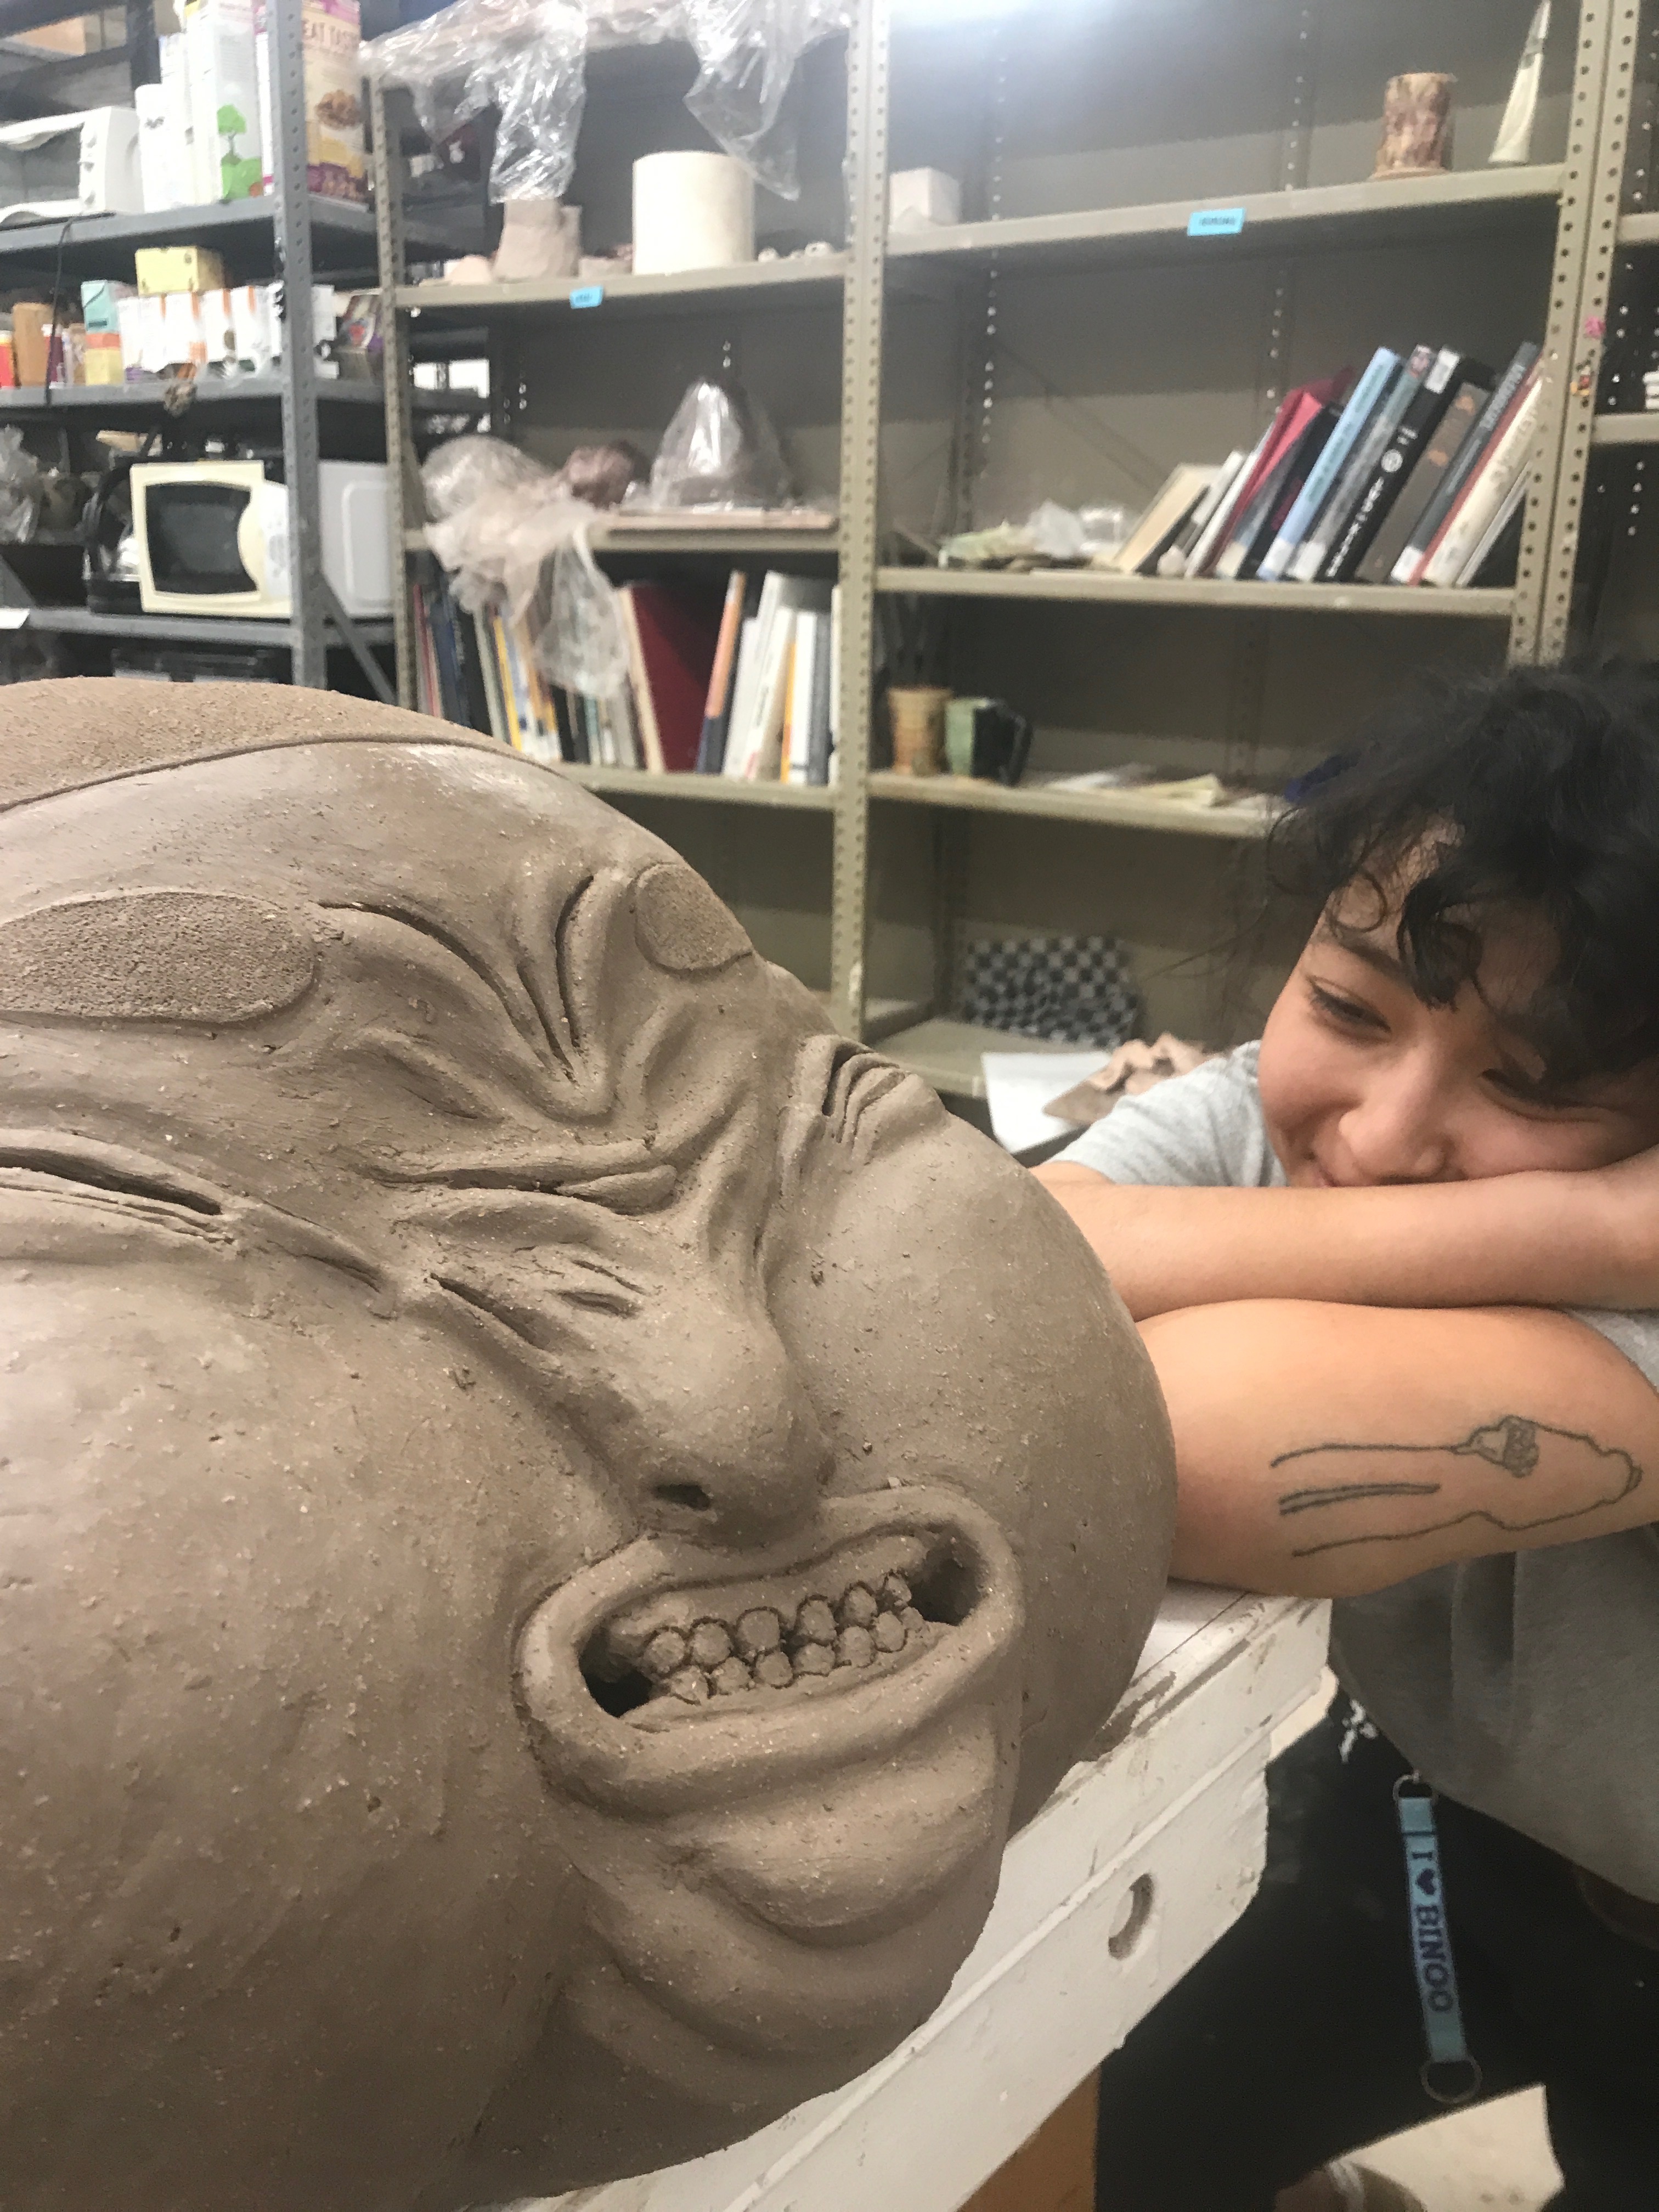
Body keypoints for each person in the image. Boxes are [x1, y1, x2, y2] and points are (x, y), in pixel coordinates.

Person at [1035, 665, 1659, 2211]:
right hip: (1436, 1816)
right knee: (1092, 2128)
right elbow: (983, 1253)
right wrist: (1581, 1225)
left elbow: (1183, 1443)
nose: (1374, 1140)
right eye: (1347, 1007)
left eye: (1532, 1087)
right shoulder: (1294, 1120)